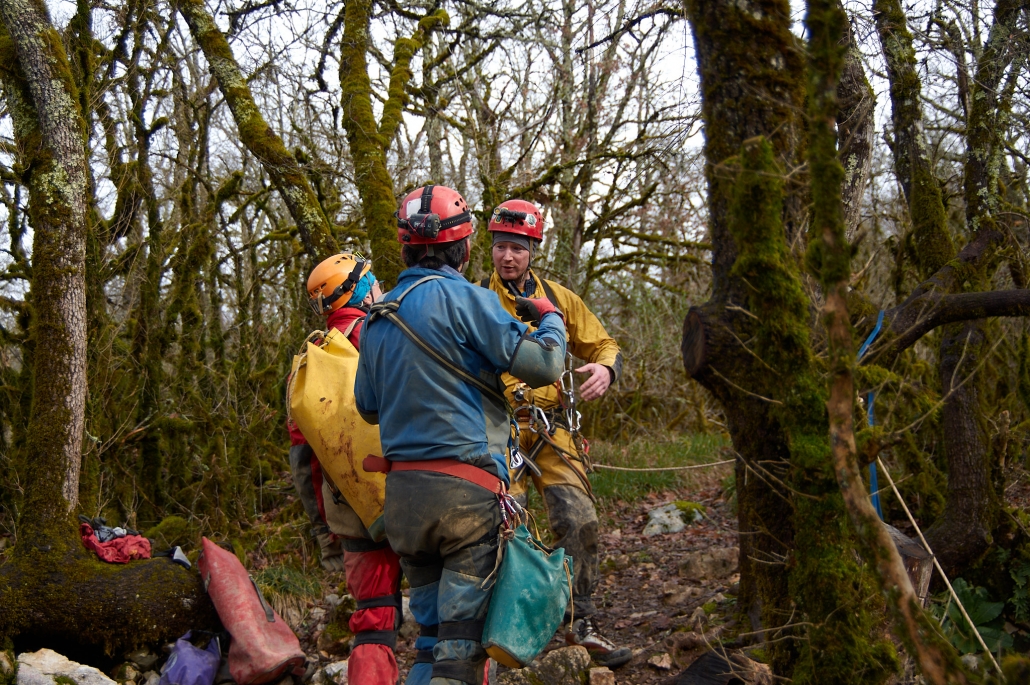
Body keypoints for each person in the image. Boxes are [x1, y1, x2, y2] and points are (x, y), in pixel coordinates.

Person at [354, 185, 568, 685]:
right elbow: (544, 365)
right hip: (466, 501)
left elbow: (367, 407)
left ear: (406, 248)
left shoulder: (378, 318)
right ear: (465, 247)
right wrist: (551, 320)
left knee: (429, 641)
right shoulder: (469, 300)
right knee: (460, 651)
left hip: (404, 504)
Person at [481, 199, 630, 668]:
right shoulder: (474, 302)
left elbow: (605, 343)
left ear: (532, 251)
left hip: (551, 427)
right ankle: (507, 632)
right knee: (508, 527)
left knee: (580, 518)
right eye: (501, 247)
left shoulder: (559, 300)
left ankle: (579, 621)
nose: (508, 257)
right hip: (499, 426)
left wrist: (606, 369)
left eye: (518, 249)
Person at [287, 254, 402, 685]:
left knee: (373, 619)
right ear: (362, 288)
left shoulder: (311, 362)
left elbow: (304, 463)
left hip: (354, 511)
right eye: (374, 281)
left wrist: (323, 531)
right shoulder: (393, 333)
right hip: (421, 492)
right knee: (448, 616)